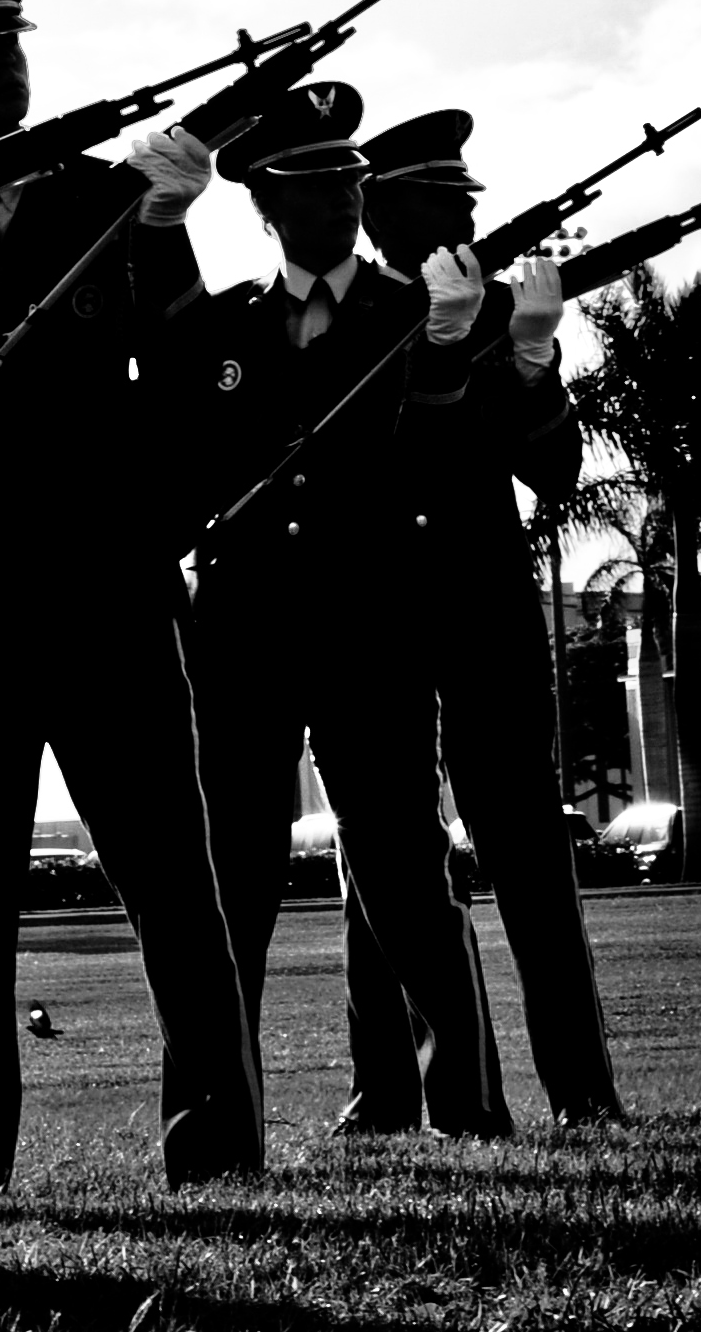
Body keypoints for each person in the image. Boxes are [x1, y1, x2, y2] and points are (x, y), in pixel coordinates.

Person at [0, 0, 266, 1190]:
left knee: (176, 886)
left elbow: (201, 383)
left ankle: (219, 1146)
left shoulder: (104, 202)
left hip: (106, 590)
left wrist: (166, 232)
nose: (6, 62)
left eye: (13, 39)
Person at [161, 81, 510, 1139]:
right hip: (244, 631)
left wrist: (450, 354)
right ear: (264, 202)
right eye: (312, 186)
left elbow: (450, 464)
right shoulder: (221, 328)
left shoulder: (416, 314)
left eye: (349, 181)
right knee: (230, 877)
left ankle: (468, 1105)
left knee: (404, 866)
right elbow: (178, 466)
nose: (341, 201)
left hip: (372, 625)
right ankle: (214, 1121)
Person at [353, 112, 625, 1125]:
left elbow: (552, 470)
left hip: (484, 604)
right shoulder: (353, 313)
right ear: (385, 217)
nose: (467, 221)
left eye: (467, 204)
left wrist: (531, 359)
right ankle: (386, 1088)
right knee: (385, 858)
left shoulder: (501, 312)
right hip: (377, 604)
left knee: (528, 850)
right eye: (444, 203)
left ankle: (581, 1086)